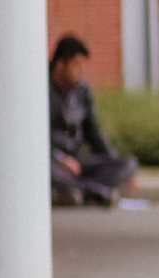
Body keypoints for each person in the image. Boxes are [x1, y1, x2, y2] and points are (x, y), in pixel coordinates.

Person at [48, 34, 139, 207]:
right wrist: (60, 158)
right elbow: (35, 137)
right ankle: (91, 192)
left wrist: (117, 163)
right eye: (76, 65)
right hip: (54, 161)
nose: (81, 71)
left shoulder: (83, 91)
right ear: (60, 65)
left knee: (128, 164)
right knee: (47, 171)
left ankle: (81, 192)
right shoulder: (41, 88)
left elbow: (94, 132)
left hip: (78, 163)